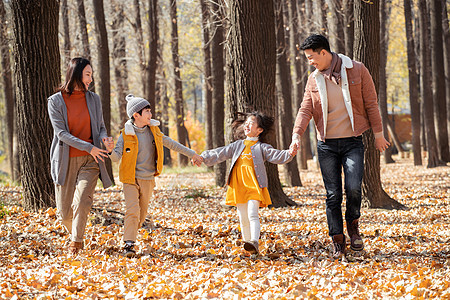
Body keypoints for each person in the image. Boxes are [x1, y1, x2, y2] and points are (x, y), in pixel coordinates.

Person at [290, 34, 390, 259]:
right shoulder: (314, 79)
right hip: (326, 145)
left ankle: (353, 227)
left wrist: (378, 135)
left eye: (311, 57)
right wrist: (297, 135)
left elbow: (371, 103)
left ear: (323, 52)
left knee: (354, 188)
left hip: (352, 141)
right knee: (332, 194)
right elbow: (305, 110)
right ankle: (337, 240)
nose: (310, 62)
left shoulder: (356, 69)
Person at [104, 94, 203, 257]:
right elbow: (115, 157)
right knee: (132, 211)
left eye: (150, 111)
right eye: (147, 111)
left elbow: (172, 144)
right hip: (129, 179)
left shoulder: (154, 131)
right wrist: (109, 149)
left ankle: (130, 234)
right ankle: (129, 244)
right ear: (136, 115)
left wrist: (192, 154)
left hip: (148, 178)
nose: (150, 114)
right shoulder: (125, 134)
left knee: (141, 216)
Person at [196, 112, 297, 255]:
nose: (247, 126)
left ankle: (254, 241)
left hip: (254, 186)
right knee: (243, 217)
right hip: (238, 186)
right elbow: (220, 153)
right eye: (246, 123)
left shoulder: (262, 147)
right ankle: (248, 246)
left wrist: (290, 153)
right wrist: (202, 157)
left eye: (251, 124)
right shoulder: (237, 145)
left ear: (259, 130)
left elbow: (276, 155)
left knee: (252, 214)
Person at [48, 57, 113, 255]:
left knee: (83, 201)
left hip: (91, 160)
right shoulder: (55, 101)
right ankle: (75, 232)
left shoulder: (94, 99)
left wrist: (103, 140)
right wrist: (88, 146)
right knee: (64, 213)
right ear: (76, 74)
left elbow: (100, 128)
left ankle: (76, 243)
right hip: (66, 161)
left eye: (91, 75)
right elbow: (61, 134)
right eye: (87, 74)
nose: (90, 79)